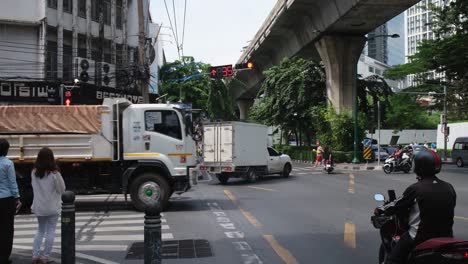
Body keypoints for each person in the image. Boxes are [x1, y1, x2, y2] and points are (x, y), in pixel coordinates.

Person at [375, 149, 456, 264]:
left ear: (419, 167)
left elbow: (397, 205)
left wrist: (380, 209)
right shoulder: (449, 187)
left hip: (420, 237)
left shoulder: (416, 189)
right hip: (446, 237)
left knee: (393, 260)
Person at [31, 148, 66, 264]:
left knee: (40, 230)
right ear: (51, 158)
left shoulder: (34, 172)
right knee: (50, 231)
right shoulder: (54, 174)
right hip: (52, 207)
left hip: (39, 206)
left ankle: (35, 256)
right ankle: (46, 257)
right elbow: (62, 189)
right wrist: (57, 175)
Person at [0, 139, 21, 264]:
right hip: (6, 199)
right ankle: (4, 257)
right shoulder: (8, 163)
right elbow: (12, 182)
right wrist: (17, 197)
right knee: (7, 229)